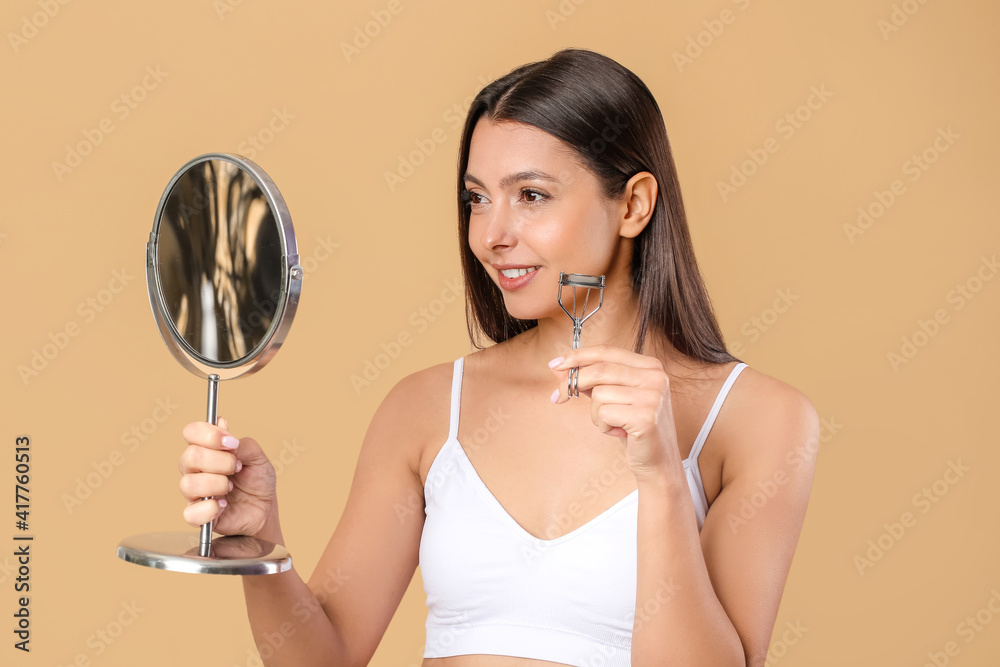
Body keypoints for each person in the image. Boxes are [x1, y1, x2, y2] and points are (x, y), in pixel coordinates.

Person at [178, 48, 818, 667]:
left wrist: (660, 479)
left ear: (633, 204)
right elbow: (326, 657)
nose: (491, 235)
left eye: (531, 195)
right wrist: (257, 550)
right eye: (477, 198)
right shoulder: (427, 407)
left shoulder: (759, 420)